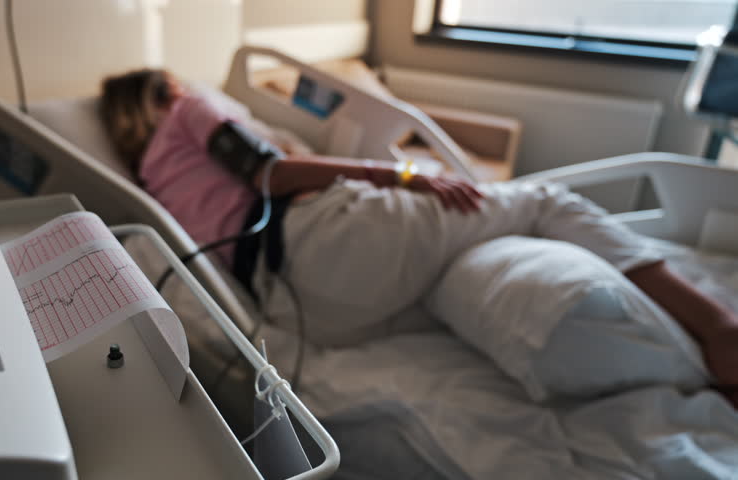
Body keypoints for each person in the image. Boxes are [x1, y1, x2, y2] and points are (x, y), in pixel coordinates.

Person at [99, 68, 738, 406]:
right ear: (162, 93)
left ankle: (684, 370)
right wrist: (401, 175)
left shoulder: (149, 179)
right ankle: (715, 328)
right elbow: (270, 173)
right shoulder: (188, 108)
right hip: (335, 242)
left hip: (313, 309)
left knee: (456, 277)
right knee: (546, 200)